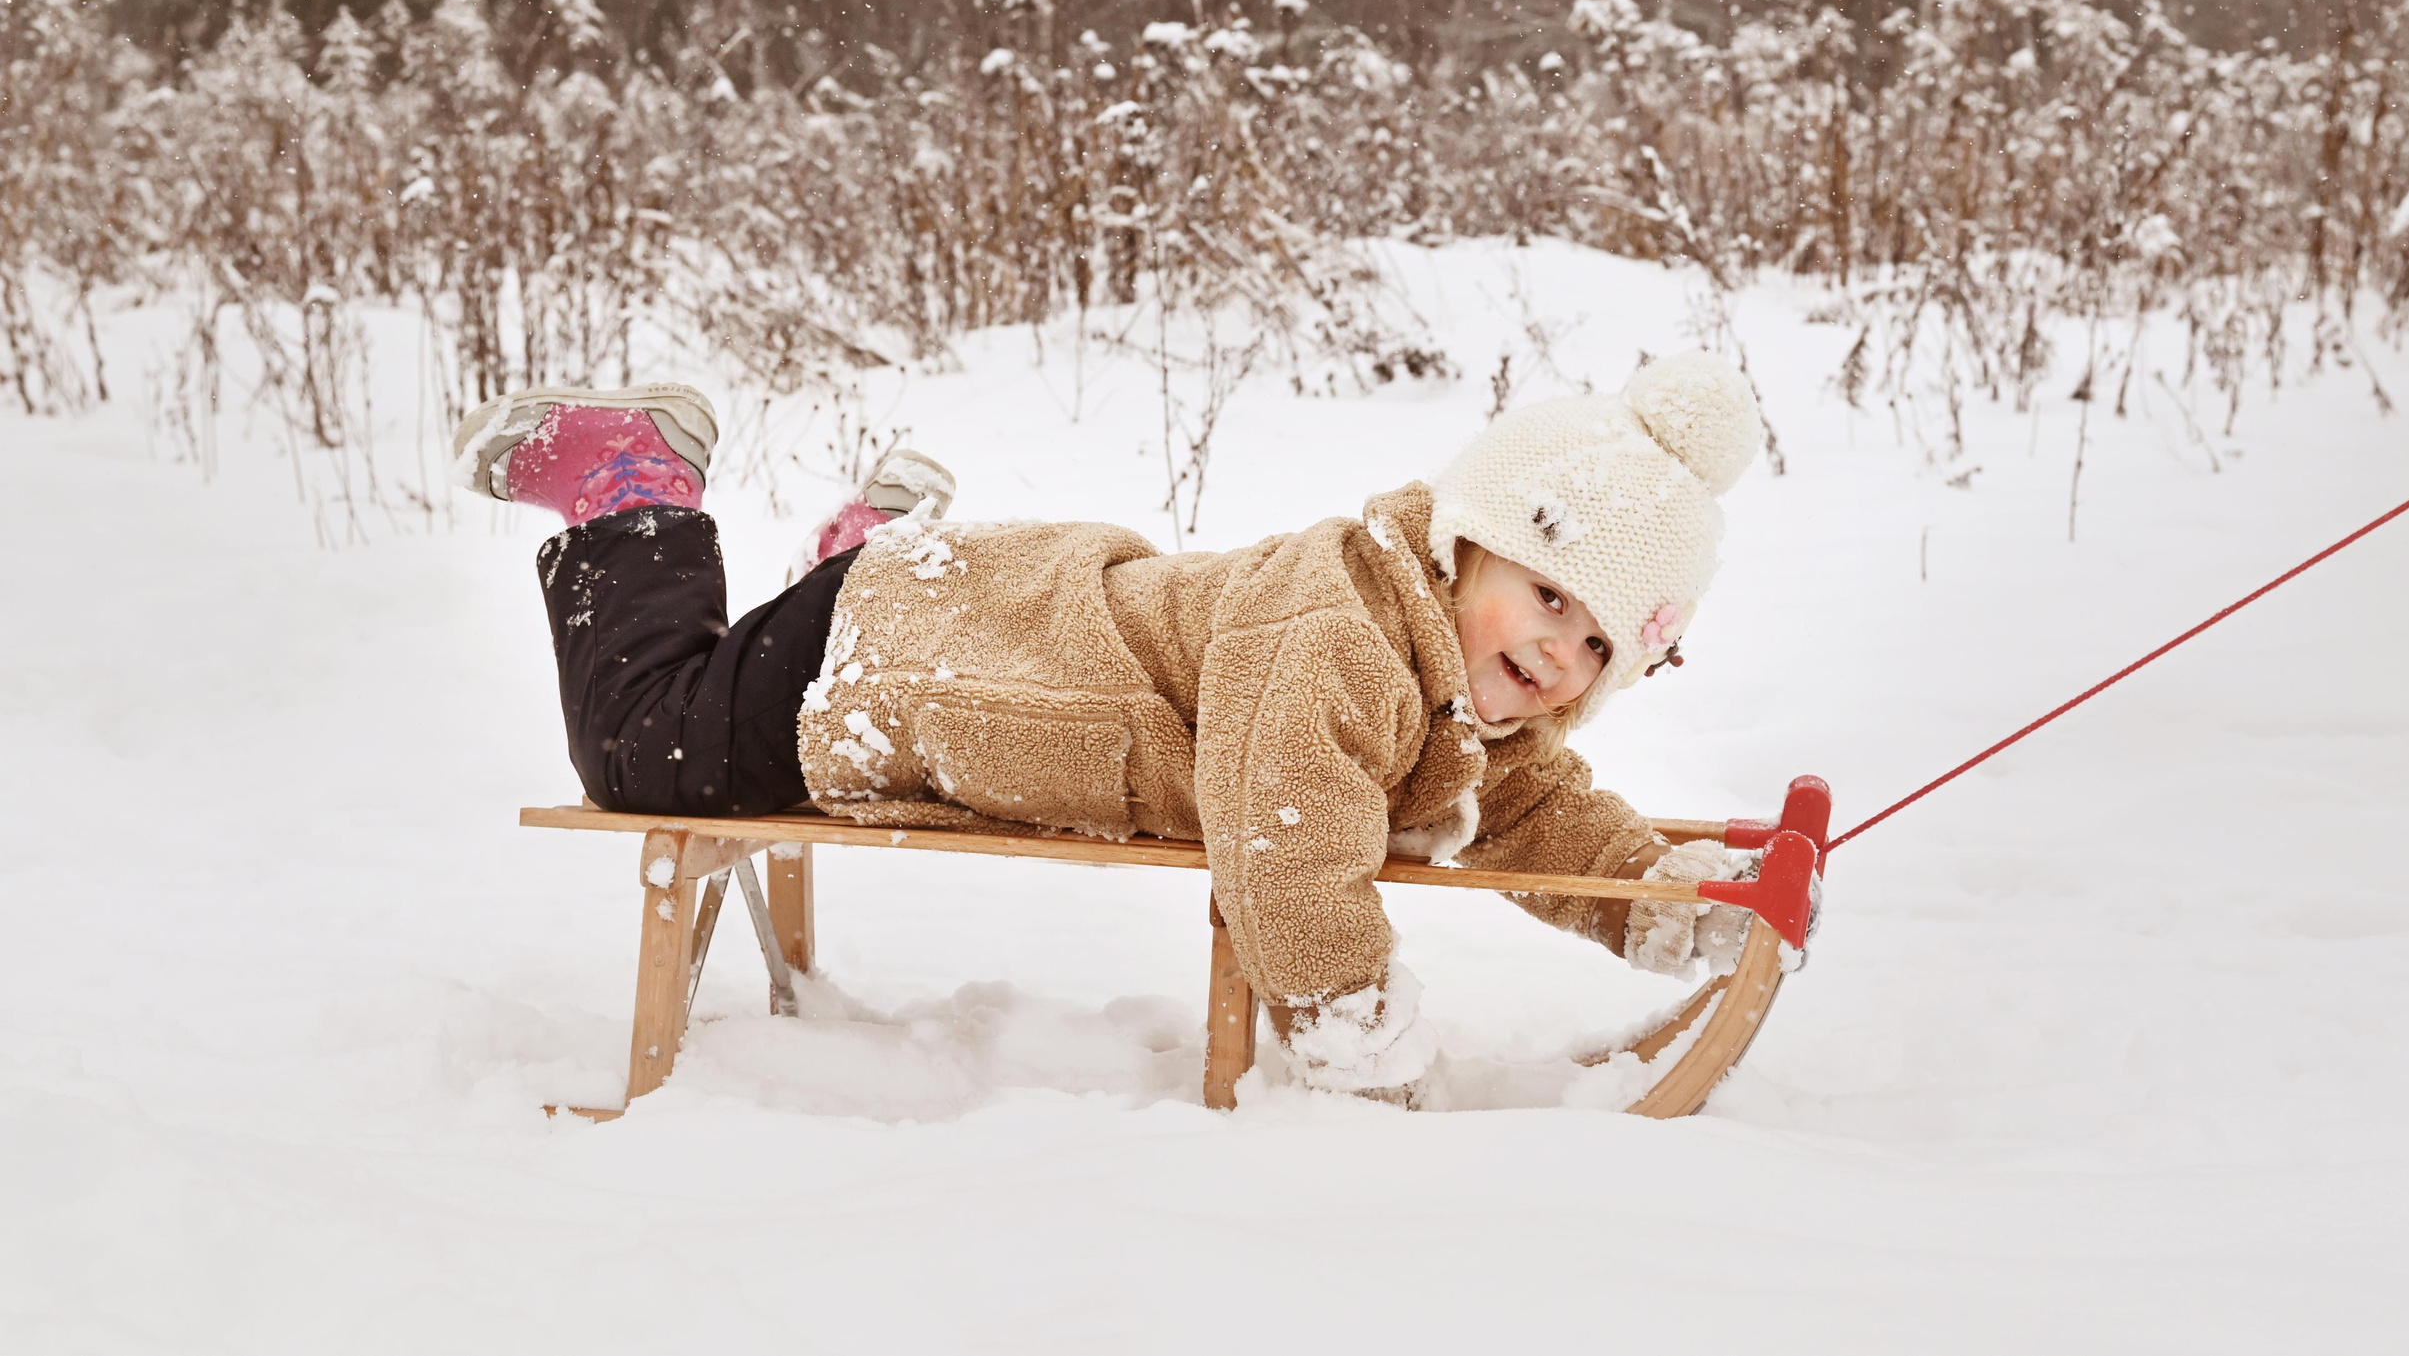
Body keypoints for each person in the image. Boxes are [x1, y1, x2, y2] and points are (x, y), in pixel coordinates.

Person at [454, 352, 1769, 1100]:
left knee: (741, 694)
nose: (1557, 651)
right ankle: (629, 476)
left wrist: (1660, 892)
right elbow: (1286, 840)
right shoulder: (1337, 636)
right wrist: (1353, 1021)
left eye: (1599, 643)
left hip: (978, 621)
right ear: (1466, 539)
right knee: (651, 746)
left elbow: (1532, 803)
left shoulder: (1442, 671)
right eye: (1548, 594)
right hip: (918, 661)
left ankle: (857, 550)